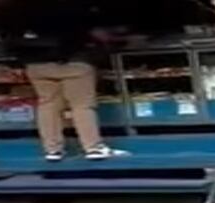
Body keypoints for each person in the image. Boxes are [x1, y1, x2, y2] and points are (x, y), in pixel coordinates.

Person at [7, 1, 127, 162]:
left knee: (48, 104)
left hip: (36, 64)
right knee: (82, 106)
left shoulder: (22, 8)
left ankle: (53, 150)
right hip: (73, 62)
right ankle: (93, 147)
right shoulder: (73, 7)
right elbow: (92, 31)